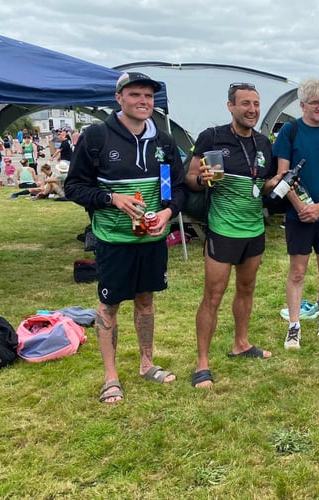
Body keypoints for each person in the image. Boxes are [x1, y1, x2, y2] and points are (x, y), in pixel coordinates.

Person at [65, 71, 186, 403]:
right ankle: (111, 377)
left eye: (148, 96)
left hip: (151, 239)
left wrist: (167, 212)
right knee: (110, 304)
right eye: (135, 95)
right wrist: (111, 199)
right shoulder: (97, 137)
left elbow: (176, 188)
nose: (143, 101)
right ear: (119, 98)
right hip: (113, 239)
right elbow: (73, 187)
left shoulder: (163, 141)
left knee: (146, 300)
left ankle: (147, 363)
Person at [185, 82, 275, 388]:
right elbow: (191, 178)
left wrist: (276, 184)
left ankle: (241, 344)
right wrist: (201, 178)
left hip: (255, 229)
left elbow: (260, 185)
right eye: (245, 104)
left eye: (256, 104)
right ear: (230, 106)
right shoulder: (212, 137)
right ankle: (202, 364)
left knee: (247, 290)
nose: (252, 110)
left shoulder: (263, 143)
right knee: (213, 296)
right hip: (223, 230)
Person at [273, 78, 319, 349]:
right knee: (297, 273)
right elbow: (282, 174)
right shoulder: (290, 131)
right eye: (314, 102)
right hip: (298, 216)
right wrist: (299, 206)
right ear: (302, 105)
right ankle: (294, 326)